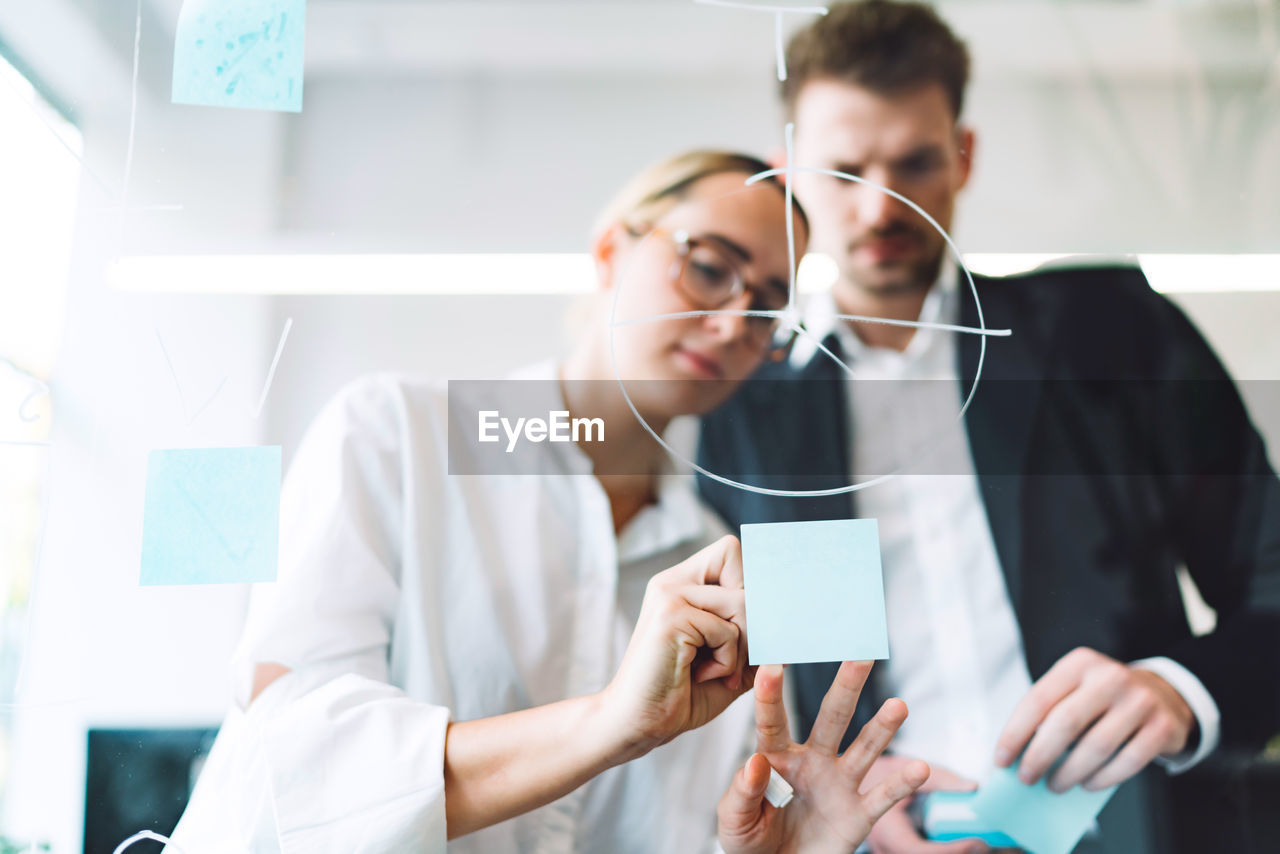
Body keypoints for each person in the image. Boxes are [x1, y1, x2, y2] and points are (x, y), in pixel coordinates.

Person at [168, 150, 926, 854]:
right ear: (610, 251)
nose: (731, 324)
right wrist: (603, 724)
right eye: (707, 267)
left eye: (765, 310)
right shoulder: (398, 437)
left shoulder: (719, 575)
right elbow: (297, 759)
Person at [697, 2, 1280, 852]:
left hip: (1145, 828)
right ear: (790, 176)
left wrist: (1179, 692)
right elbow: (755, 676)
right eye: (845, 170)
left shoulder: (1112, 331)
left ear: (963, 157)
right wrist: (840, 799)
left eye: (914, 163)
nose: (879, 208)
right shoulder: (743, 405)